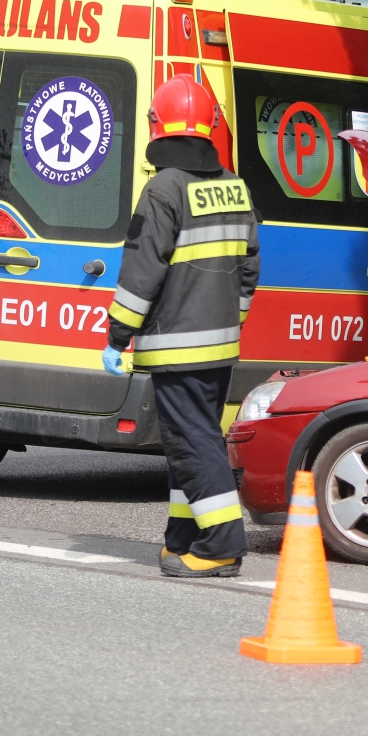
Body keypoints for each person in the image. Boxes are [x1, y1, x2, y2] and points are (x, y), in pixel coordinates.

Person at [101, 75, 260, 578]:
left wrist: (117, 335)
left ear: (157, 126)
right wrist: (229, 321)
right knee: (192, 440)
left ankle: (221, 546)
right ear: (211, 127)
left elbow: (140, 271)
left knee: (192, 442)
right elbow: (250, 266)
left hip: (177, 346)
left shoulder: (163, 189)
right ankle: (182, 537)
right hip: (219, 346)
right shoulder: (234, 185)